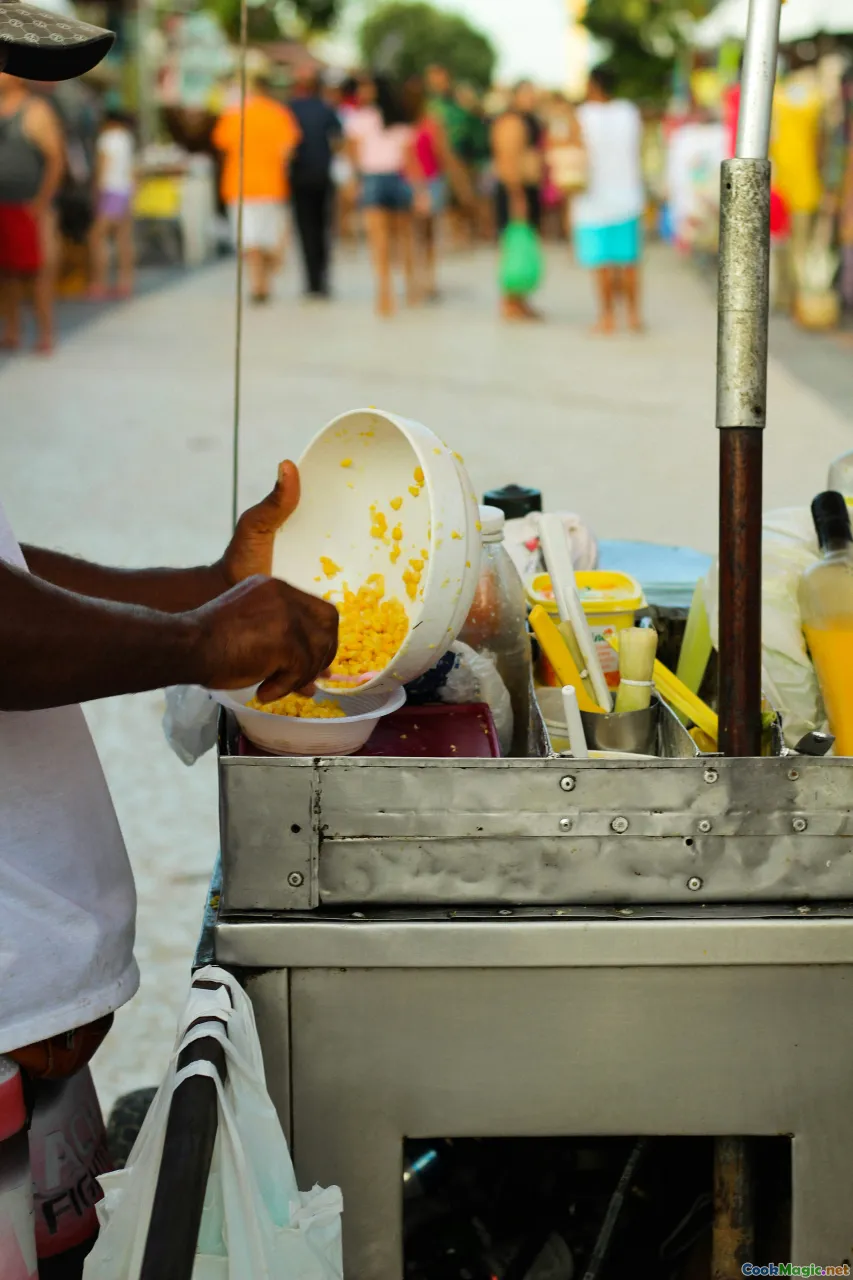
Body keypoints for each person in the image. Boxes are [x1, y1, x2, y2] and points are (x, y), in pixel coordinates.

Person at [212, 56, 301, 304]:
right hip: (271, 184)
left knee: (249, 241)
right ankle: (265, 283)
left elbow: (221, 145)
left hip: (238, 185)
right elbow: (289, 151)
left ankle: (257, 285)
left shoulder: (233, 114)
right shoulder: (279, 114)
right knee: (266, 239)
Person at [573, 65, 645, 334]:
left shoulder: (582, 115)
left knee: (601, 263)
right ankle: (634, 316)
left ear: (592, 84)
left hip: (593, 199)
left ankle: (607, 317)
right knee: (628, 262)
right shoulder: (629, 112)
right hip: (628, 195)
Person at [0, 69, 64, 352]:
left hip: (27, 206)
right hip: (4, 204)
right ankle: (12, 331)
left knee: (37, 273)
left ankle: (45, 334)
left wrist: (41, 202)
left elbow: (56, 160)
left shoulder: (35, 111)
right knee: (7, 273)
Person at [344, 74, 416, 317]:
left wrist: (419, 188)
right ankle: (385, 291)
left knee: (400, 239)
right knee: (381, 241)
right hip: (375, 177)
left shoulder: (395, 120)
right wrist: (355, 181)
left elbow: (408, 157)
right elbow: (353, 154)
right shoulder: (359, 119)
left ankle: (407, 284)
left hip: (392, 176)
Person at [491, 80, 545, 321]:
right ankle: (509, 301)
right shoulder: (511, 122)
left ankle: (520, 300)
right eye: (527, 94)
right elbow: (508, 159)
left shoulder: (528, 121)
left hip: (526, 189)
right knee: (512, 246)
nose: (531, 98)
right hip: (515, 191)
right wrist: (517, 195)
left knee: (521, 245)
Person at [288, 68, 342, 299]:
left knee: (306, 230)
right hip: (322, 176)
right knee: (322, 228)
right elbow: (339, 139)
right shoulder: (326, 109)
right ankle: (321, 279)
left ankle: (311, 281)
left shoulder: (290, 109)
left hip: (300, 177)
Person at [404, 75, 451, 301]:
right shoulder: (411, 123)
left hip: (426, 181)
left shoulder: (429, 122)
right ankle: (419, 278)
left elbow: (440, 152)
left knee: (424, 232)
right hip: (418, 181)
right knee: (418, 233)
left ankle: (426, 278)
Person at [87, 109, 136, 300]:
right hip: (124, 190)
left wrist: (96, 192)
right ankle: (125, 281)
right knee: (123, 238)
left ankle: (99, 283)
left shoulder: (107, 138)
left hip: (110, 190)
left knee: (96, 237)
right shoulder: (126, 138)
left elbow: (103, 166)